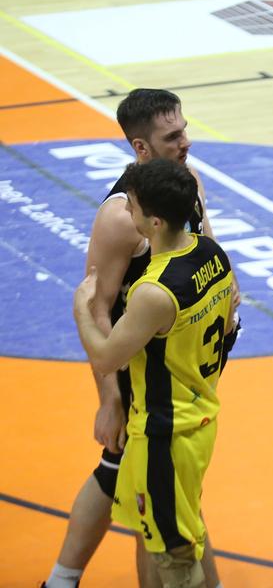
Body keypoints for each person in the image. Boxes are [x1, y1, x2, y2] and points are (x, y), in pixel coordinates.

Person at [46, 88, 236, 588]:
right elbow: (98, 306)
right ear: (141, 147)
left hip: (184, 363)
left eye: (184, 129)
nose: (186, 142)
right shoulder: (118, 217)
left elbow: (208, 247)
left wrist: (227, 299)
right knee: (134, 483)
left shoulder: (187, 182)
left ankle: (63, 578)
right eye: (173, 136)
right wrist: (109, 399)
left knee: (148, 490)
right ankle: (62, 578)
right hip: (144, 374)